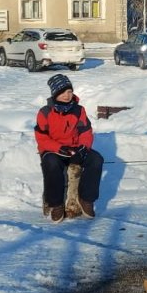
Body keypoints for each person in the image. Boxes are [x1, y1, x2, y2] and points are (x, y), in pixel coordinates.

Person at [34, 74, 104, 223]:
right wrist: (59, 148)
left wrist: (83, 149)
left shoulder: (79, 110)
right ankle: (56, 204)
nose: (67, 95)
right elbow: (42, 139)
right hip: (54, 150)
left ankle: (86, 198)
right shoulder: (45, 113)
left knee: (96, 159)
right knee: (51, 163)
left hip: (75, 149)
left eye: (70, 92)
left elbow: (86, 132)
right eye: (63, 92)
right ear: (55, 93)